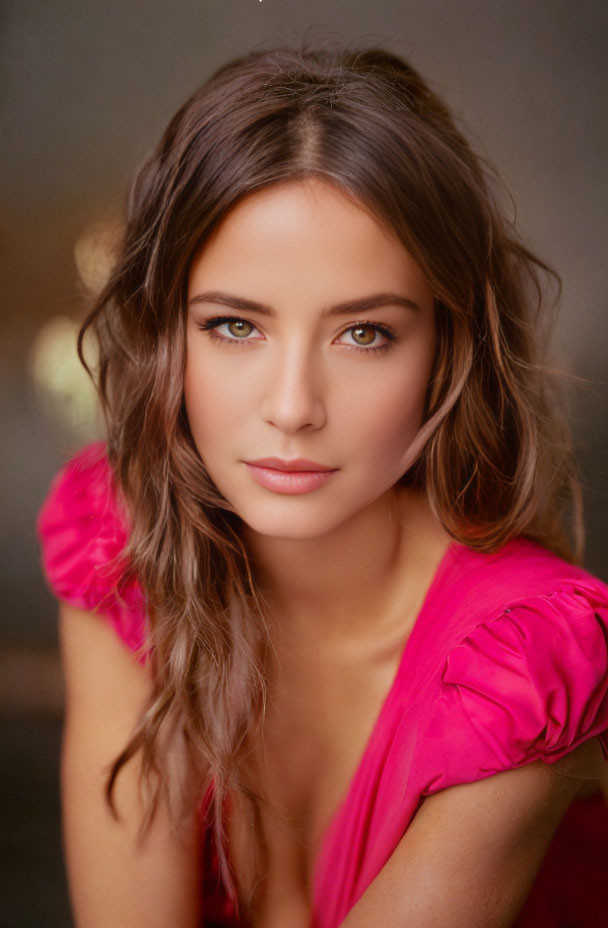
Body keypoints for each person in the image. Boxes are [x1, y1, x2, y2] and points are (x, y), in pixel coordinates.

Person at [37, 44, 608, 928]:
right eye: (234, 326)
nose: (294, 407)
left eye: (365, 335)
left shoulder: (525, 666)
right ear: (166, 338)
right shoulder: (121, 541)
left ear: (448, 353)